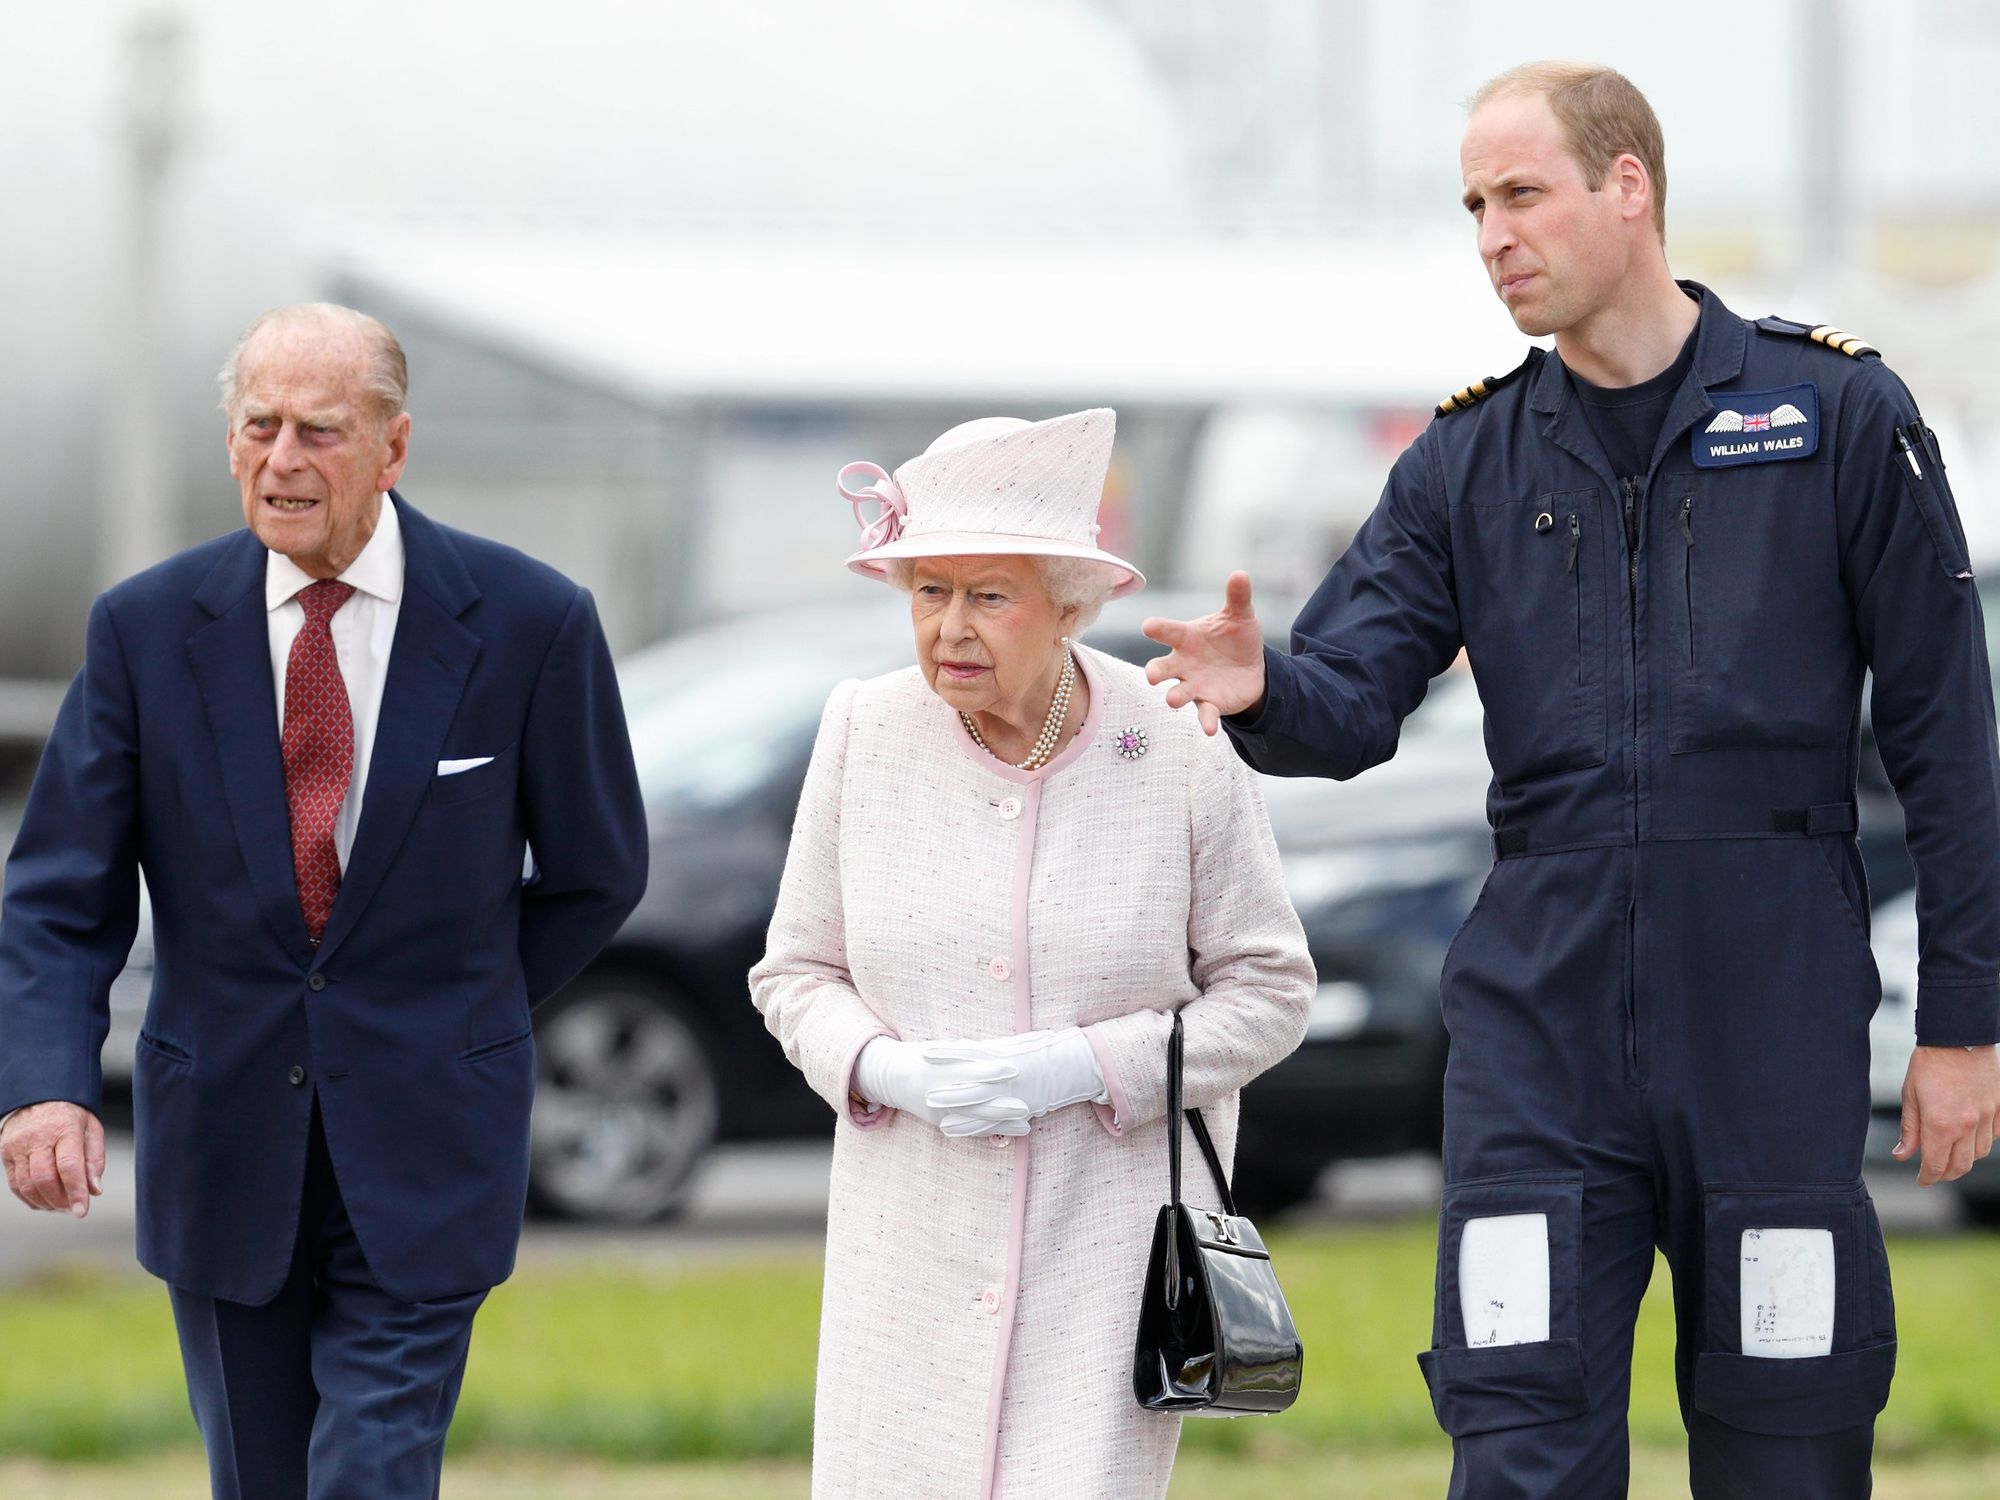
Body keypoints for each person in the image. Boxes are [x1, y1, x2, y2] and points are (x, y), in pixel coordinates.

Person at [1143, 61, 2000, 1500]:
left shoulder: (1836, 417)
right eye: (1475, 204)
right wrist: (1266, 687)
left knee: (1787, 1441)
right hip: (1539, 1028)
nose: (1492, 235)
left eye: (1521, 193)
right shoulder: (1466, 461)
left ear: (1629, 187)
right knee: (1518, 1434)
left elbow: (1948, 738)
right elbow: (1351, 701)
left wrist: (1970, 1020)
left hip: (1771, 1010)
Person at [0, 303, 648, 1499]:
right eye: (259, 427)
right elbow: (57, 892)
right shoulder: (145, 630)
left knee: (368, 1471)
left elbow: (597, 868)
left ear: (393, 449)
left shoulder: (528, 622)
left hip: (430, 1142)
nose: (283, 460)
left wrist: (460, 1006)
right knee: (262, 1482)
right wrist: (44, 1085)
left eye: (320, 431)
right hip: (225, 1139)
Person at [749, 409, 1313, 1500]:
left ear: (1067, 603)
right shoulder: (863, 729)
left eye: (988, 595)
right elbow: (794, 972)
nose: (949, 628)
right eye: (928, 592)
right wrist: (882, 1068)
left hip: (1096, 1254)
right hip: (904, 1251)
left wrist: (1082, 1066)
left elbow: (1269, 994)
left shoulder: (1176, 744)